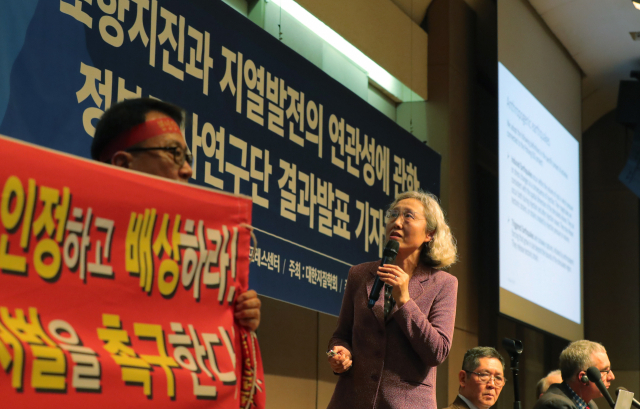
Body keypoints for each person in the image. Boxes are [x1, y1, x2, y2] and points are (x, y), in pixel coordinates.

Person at [91, 97, 261, 331]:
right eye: (173, 153)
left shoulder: (201, 258)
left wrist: (237, 323)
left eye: (187, 158)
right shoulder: (71, 239)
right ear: (122, 163)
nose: (188, 170)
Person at [326, 190, 458, 409]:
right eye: (393, 215)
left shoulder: (443, 283)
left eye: (408, 216)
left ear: (430, 233)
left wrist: (405, 301)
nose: (396, 222)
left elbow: (438, 351)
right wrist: (340, 353)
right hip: (351, 400)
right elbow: (341, 335)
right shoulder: (359, 274)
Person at [533, 340, 614, 409]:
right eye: (605, 371)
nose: (612, 377)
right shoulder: (555, 405)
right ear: (583, 378)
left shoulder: (590, 405)